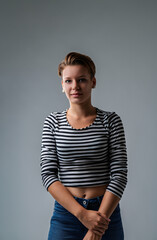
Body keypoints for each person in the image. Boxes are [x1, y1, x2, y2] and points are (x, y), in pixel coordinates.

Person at [40, 52, 128, 240]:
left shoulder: (110, 121)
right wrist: (82, 214)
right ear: (62, 85)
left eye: (82, 80)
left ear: (93, 82)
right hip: (67, 215)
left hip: (105, 213)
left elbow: (119, 174)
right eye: (69, 81)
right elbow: (47, 174)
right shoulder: (52, 122)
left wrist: (97, 226)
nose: (75, 87)